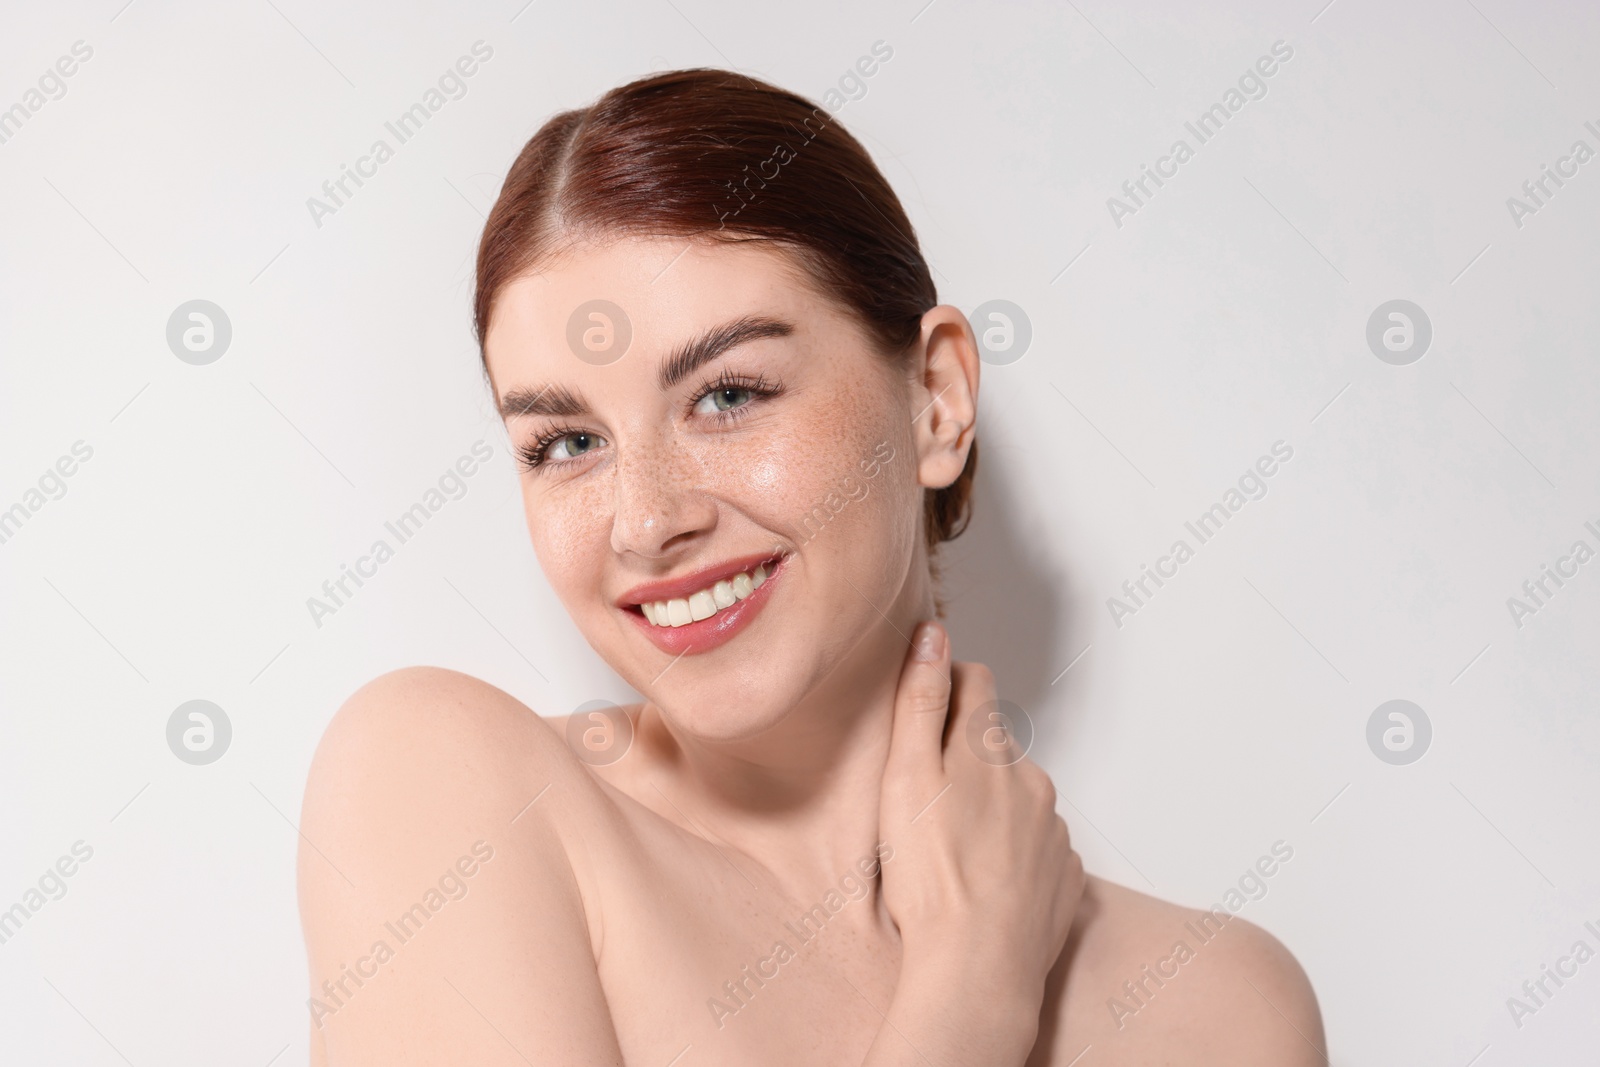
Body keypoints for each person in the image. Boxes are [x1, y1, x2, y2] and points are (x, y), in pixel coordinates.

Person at [297, 68, 1323, 1065]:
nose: (646, 520)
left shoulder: (1219, 1008)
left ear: (936, 397)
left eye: (729, 393)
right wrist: (973, 990)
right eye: (566, 443)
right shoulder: (445, 794)